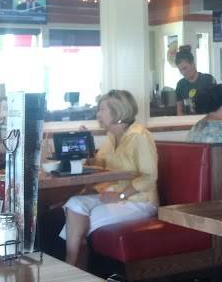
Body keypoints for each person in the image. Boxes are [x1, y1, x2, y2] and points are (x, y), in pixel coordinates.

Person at [61, 90, 158, 268]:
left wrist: (121, 196)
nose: (98, 114)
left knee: (80, 223)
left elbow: (149, 176)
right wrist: (86, 144)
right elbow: (99, 165)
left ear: (117, 111)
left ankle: (72, 269)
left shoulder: (139, 136)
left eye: (102, 110)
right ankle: (75, 271)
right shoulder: (112, 137)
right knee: (74, 203)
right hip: (112, 195)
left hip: (139, 201)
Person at [174, 48, 215, 116]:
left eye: (185, 68)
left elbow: (216, 107)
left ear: (193, 64)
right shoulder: (180, 85)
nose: (183, 73)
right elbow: (179, 112)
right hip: (188, 121)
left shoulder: (208, 79)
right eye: (180, 70)